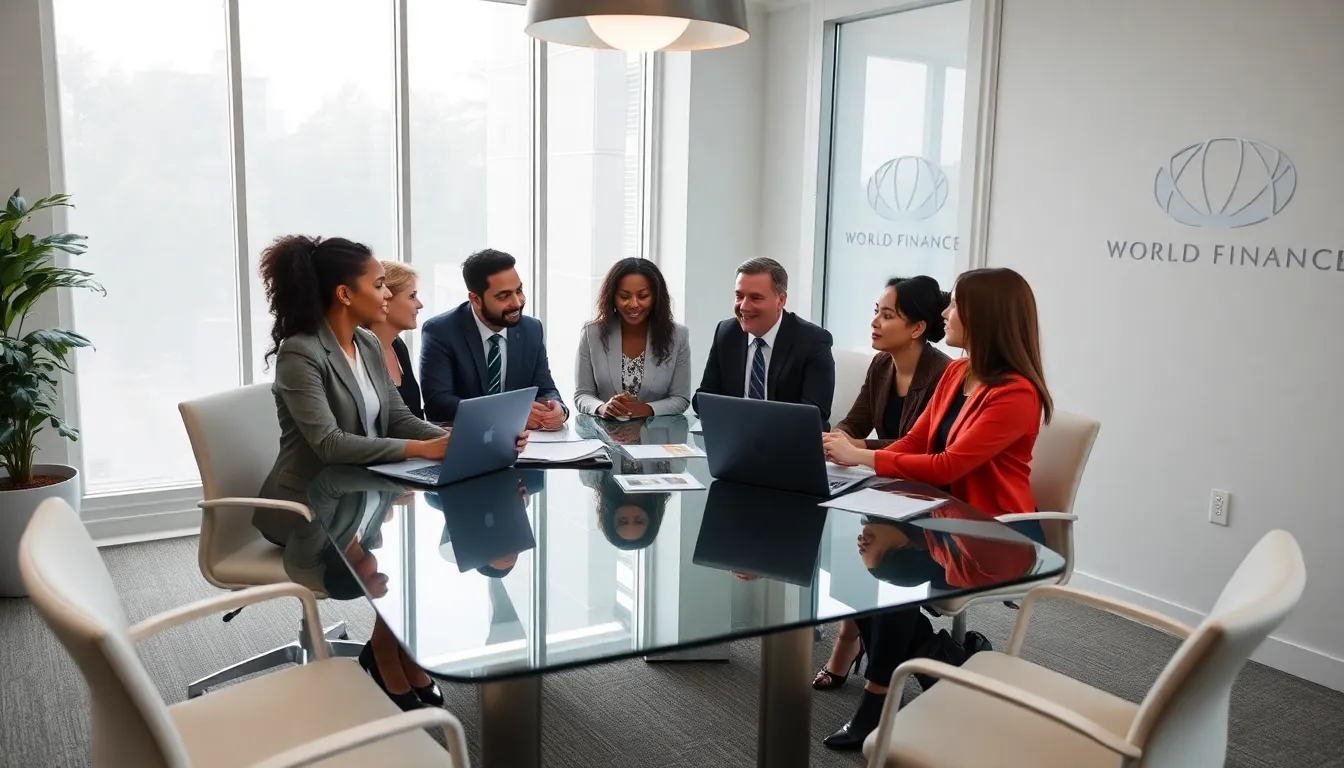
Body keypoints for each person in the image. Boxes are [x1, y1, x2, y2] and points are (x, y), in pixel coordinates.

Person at [254, 235, 528, 709]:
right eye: (379, 284)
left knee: (423, 549)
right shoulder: (301, 353)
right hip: (309, 505)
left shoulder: (364, 342)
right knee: (409, 563)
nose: (387, 293)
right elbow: (329, 444)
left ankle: (391, 653)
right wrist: (426, 446)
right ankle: (386, 653)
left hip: (361, 493)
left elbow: (398, 416)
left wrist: (459, 439)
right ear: (345, 294)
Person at [819, 267, 1053, 750]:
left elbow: (948, 465)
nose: (945, 311)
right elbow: (916, 441)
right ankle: (937, 653)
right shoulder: (955, 372)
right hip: (936, 518)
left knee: (883, 583)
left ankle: (876, 705)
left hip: (991, 535)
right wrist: (862, 460)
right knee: (856, 564)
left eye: (954, 306)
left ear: (983, 317)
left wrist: (861, 456)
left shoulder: (1016, 394)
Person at [812, 275, 953, 692]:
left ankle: (849, 639)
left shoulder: (944, 375)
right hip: (879, 489)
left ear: (917, 328)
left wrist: (858, 449)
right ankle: (856, 640)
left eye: (887, 314)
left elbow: (925, 448)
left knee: (852, 549)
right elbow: (854, 423)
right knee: (831, 532)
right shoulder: (881, 365)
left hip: (923, 500)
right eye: (876, 310)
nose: (874, 321)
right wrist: (836, 439)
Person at [420, 248, 568, 430]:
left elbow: (545, 388)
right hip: (468, 439)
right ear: (475, 299)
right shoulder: (441, 331)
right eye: (504, 296)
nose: (517, 302)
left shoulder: (532, 329)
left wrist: (557, 408)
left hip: (527, 446)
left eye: (519, 290)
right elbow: (438, 402)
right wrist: (512, 414)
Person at [692, 257, 836, 427]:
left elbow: (814, 416)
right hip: (735, 438)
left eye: (755, 298)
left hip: (788, 443)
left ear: (780, 300)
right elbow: (704, 397)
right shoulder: (726, 333)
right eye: (739, 296)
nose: (744, 306)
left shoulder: (813, 341)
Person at [574, 258, 692, 419]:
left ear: (656, 297)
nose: (634, 304)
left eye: (643, 296)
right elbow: (582, 394)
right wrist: (602, 408)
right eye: (624, 296)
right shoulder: (592, 333)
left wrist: (645, 409)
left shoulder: (678, 336)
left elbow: (681, 399)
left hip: (656, 439)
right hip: (603, 436)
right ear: (612, 297)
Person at [368, 260, 426, 418]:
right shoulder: (358, 351)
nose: (419, 305)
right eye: (412, 296)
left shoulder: (398, 346)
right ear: (385, 299)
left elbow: (414, 416)